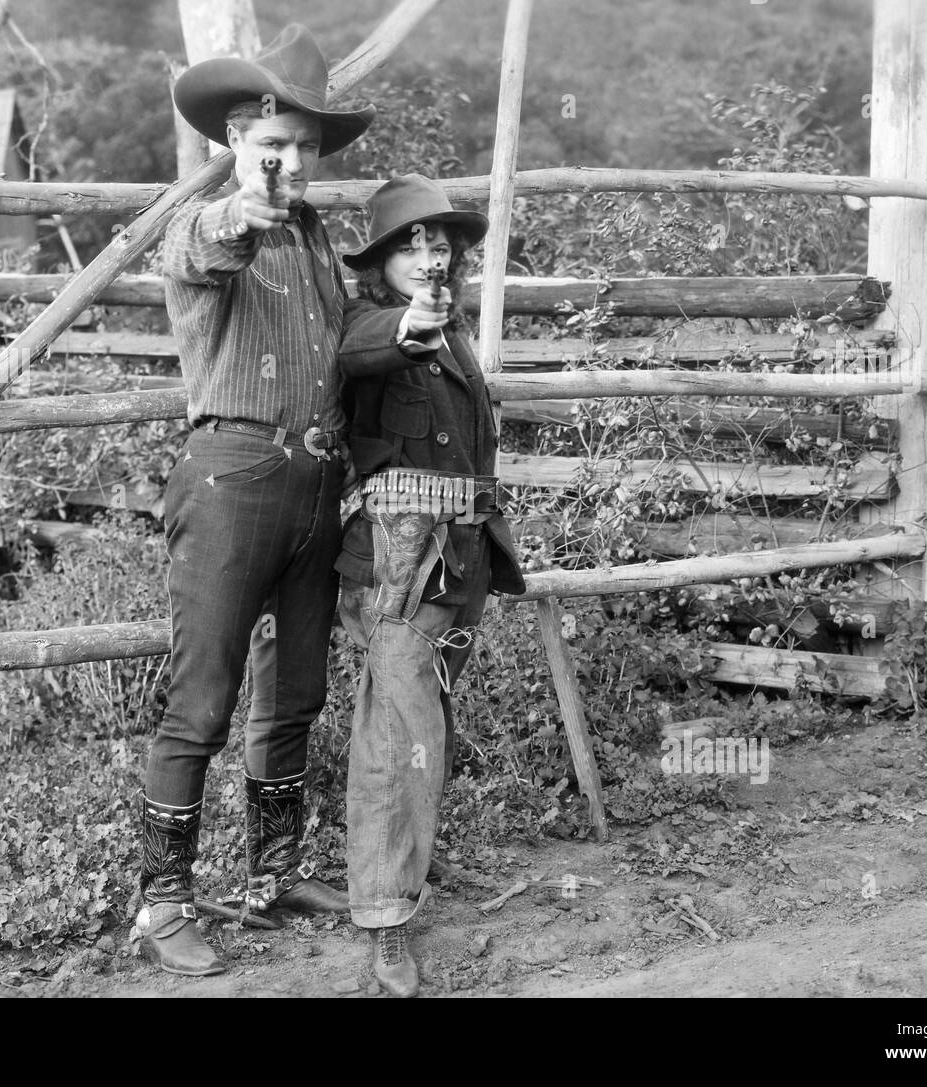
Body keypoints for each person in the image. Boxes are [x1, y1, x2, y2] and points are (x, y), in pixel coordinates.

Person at [130, 24, 376, 977]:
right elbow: (209, 247)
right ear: (237, 141)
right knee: (203, 698)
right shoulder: (207, 221)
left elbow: (349, 337)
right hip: (231, 477)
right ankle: (162, 906)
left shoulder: (316, 237)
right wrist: (247, 208)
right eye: (272, 145)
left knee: (296, 693)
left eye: (304, 147)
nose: (289, 163)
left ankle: (275, 875)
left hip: (316, 484)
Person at [335, 174, 526, 996]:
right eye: (410, 244)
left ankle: (407, 859)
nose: (430, 254)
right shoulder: (369, 322)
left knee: (428, 719)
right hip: (394, 567)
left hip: (460, 556)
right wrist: (409, 324)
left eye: (440, 242)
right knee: (394, 730)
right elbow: (370, 346)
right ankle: (383, 916)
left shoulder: (456, 333)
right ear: (380, 264)